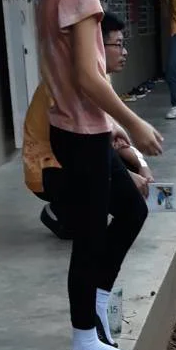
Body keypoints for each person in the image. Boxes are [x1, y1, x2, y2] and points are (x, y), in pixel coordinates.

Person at [34, 0, 162, 350]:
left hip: (80, 130)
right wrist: (134, 121)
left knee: (131, 210)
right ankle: (85, 337)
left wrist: (111, 126)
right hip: (80, 135)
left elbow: (74, 76)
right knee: (89, 235)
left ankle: (98, 303)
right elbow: (89, 77)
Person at [24, 13, 152, 241]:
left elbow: (116, 138)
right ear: (96, 46)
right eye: (118, 45)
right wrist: (127, 177)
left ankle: (81, 208)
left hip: (76, 158)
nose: (124, 52)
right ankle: (60, 211)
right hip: (48, 170)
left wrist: (141, 165)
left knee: (127, 164)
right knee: (95, 224)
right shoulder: (72, 84)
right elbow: (87, 147)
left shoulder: (99, 78)